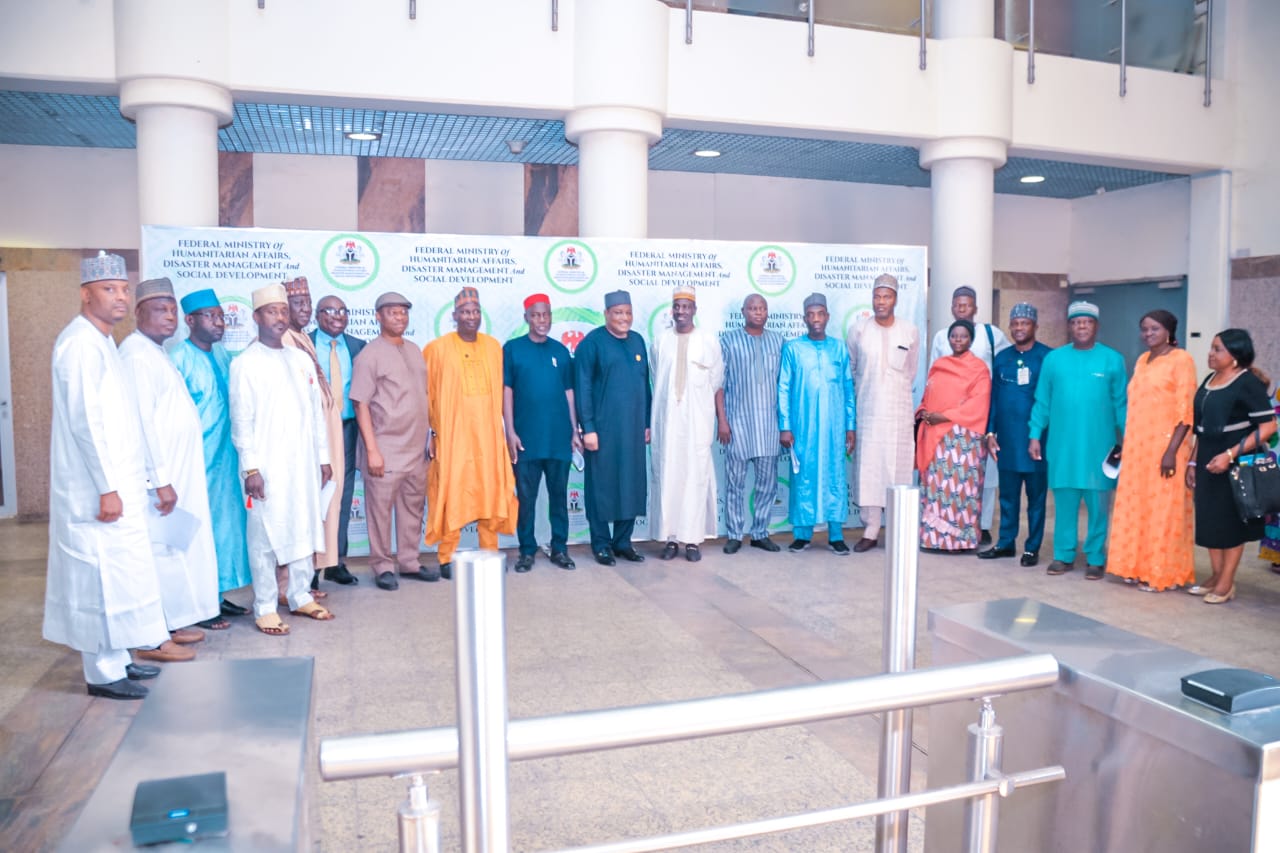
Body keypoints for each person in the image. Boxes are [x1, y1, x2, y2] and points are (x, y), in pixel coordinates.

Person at [44, 252, 170, 700]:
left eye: (123, 289)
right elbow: (86, 424)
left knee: (121, 576)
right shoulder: (79, 344)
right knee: (98, 579)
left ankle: (119, 659)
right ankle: (101, 674)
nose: (119, 297)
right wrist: (106, 488)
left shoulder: (103, 341)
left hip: (119, 485)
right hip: (96, 490)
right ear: (86, 294)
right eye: (108, 289)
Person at [119, 277, 221, 655]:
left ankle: (169, 622)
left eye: (173, 310)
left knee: (173, 548)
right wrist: (158, 479)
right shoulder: (134, 355)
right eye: (160, 310)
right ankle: (151, 634)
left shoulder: (155, 351)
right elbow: (140, 424)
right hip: (159, 479)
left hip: (176, 473)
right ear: (138, 313)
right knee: (158, 551)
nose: (169, 317)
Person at [229, 284, 334, 635]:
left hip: (303, 463)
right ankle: (264, 606)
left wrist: (322, 457)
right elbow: (241, 420)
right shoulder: (245, 363)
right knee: (264, 536)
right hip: (266, 466)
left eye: (283, 311)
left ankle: (300, 594)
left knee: (305, 525)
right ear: (256, 317)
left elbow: (316, 414)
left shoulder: (300, 359)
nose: (280, 317)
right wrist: (251, 468)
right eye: (272, 311)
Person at [1028, 301, 1127, 580]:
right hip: (1063, 447)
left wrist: (1129, 437)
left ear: (1096, 326)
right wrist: (1035, 434)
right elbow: (1042, 401)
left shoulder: (1112, 359)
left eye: (1087, 321)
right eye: (1076, 322)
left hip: (1100, 448)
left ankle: (1095, 557)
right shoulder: (1054, 359)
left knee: (1098, 506)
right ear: (1069, 326)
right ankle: (1063, 555)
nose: (1081, 326)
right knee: (1065, 504)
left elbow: (1121, 404)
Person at [422, 287, 517, 577]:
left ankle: (490, 552)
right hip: (453, 437)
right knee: (452, 493)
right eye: (465, 312)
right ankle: (446, 557)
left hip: (488, 436)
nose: (471, 316)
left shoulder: (493, 347)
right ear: (454, 316)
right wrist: (431, 433)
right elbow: (426, 395)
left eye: (475, 311)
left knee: (491, 491)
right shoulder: (437, 349)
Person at [171, 289, 254, 618]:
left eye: (221, 316)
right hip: (197, 462)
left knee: (224, 529)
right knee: (199, 532)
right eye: (211, 316)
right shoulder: (178, 359)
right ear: (190, 320)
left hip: (225, 461)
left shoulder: (222, 355)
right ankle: (197, 605)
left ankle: (216, 595)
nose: (219, 322)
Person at [1106, 310, 1197, 591]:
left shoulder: (1182, 360)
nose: (1148, 334)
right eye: (1144, 329)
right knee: (1137, 508)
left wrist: (1171, 452)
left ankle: (1161, 573)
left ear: (1169, 331)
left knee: (1163, 511)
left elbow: (1186, 411)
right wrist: (1127, 445)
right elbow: (1137, 407)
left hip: (1166, 448)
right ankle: (1135, 566)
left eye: (1154, 329)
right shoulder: (1143, 360)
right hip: (1138, 448)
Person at [1185, 329, 1277, 604]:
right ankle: (1216, 575)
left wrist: (1229, 454)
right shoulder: (1210, 380)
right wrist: (1193, 460)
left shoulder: (1247, 383)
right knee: (1210, 521)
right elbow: (1202, 428)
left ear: (1236, 355)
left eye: (1218, 349)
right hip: (1207, 458)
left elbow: (1268, 426)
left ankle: (1226, 582)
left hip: (1235, 462)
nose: (1211, 354)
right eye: (1211, 348)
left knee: (1231, 524)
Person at [350, 291, 433, 590]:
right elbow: (360, 403)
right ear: (378, 316)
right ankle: (382, 565)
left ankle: (409, 561)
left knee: (413, 508)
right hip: (385, 449)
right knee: (380, 512)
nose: (399, 317)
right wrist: (372, 450)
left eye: (403, 312)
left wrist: (431, 435)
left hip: (417, 448)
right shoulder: (369, 355)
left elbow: (424, 397)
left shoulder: (414, 349)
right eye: (392, 312)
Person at [503, 293, 581, 573]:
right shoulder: (512, 349)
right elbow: (507, 392)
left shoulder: (560, 351)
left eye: (546, 315)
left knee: (559, 498)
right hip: (526, 440)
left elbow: (569, 393)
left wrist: (574, 430)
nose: (541, 320)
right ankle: (526, 550)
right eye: (536, 315)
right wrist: (510, 431)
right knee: (526, 499)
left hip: (558, 439)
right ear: (526, 318)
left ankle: (560, 548)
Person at [574, 290, 652, 566]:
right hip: (603, 430)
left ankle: (623, 542)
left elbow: (645, 385)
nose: (624, 318)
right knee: (601, 486)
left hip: (633, 428)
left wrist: (646, 423)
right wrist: (588, 428)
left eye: (628, 313)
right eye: (618, 313)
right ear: (606, 314)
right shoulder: (592, 344)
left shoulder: (638, 341)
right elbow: (583, 387)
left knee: (631, 483)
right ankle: (601, 544)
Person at [929, 286, 1010, 546]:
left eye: (967, 304)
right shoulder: (942, 337)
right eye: (957, 304)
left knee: (985, 472)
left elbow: (1006, 363)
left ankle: (982, 525)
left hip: (981, 411)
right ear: (951, 308)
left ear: (975, 308)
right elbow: (933, 374)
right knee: (950, 474)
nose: (962, 308)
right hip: (947, 417)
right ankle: (949, 525)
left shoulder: (991, 334)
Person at [650, 285, 725, 562]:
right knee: (669, 475)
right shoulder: (660, 342)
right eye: (677, 306)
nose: (681, 311)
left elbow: (716, 382)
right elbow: (656, 377)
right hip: (667, 421)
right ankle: (670, 539)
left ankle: (692, 540)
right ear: (672, 310)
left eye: (686, 306)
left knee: (695, 477)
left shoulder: (708, 341)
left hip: (697, 422)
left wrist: (718, 418)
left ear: (694, 309)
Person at [845, 274, 919, 552]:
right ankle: (871, 529)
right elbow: (852, 368)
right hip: (868, 411)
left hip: (899, 412)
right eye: (877, 296)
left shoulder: (909, 330)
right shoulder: (859, 330)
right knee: (870, 469)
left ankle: (898, 529)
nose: (881, 302)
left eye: (886, 296)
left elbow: (911, 371)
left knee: (897, 468)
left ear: (895, 299)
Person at [778, 292, 855, 554]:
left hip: (834, 426)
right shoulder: (793, 349)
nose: (816, 319)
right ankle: (802, 534)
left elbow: (848, 388)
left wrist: (850, 426)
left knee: (835, 476)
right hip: (803, 426)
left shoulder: (839, 348)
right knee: (804, 477)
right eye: (811, 315)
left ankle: (836, 535)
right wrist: (785, 425)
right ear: (804, 319)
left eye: (820, 314)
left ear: (828, 317)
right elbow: (784, 387)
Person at [281, 276, 343, 595]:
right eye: (298, 304)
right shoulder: (284, 341)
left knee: (320, 506)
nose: (305, 309)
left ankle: (304, 581)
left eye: (307, 303)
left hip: (324, 436)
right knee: (302, 510)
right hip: (304, 443)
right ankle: (292, 586)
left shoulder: (301, 336)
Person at [979, 303, 1051, 566]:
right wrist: (990, 432)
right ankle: (1006, 543)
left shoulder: (1047, 357)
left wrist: (1039, 435)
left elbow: (1050, 400)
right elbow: (994, 399)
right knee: (1007, 496)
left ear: (1035, 326)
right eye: (1015, 323)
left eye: (1025, 323)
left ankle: (1032, 548)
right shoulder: (1002, 358)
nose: (1019, 328)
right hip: (1007, 440)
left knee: (1036, 498)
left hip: (1036, 441)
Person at [916, 320, 991, 551]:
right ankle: (932, 540)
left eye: (963, 336)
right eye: (954, 336)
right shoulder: (939, 365)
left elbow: (978, 404)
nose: (958, 340)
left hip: (963, 442)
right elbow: (928, 396)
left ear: (971, 340)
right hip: (935, 439)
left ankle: (962, 541)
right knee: (935, 490)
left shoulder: (979, 369)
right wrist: (924, 412)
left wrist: (944, 416)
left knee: (960, 492)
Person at [718, 294, 784, 554]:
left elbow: (784, 385)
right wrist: (723, 421)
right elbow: (718, 385)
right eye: (752, 308)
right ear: (743, 311)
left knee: (767, 483)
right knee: (734, 483)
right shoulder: (729, 341)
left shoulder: (778, 341)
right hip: (738, 424)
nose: (758, 312)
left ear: (767, 312)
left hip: (769, 425)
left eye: (762, 308)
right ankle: (734, 534)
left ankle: (759, 533)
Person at [311, 293, 366, 586]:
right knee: (315, 496)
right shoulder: (304, 344)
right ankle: (310, 568)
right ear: (317, 316)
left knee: (342, 496)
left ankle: (336, 561)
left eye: (342, 311)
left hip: (347, 429)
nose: (337, 316)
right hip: (314, 432)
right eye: (330, 311)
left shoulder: (358, 346)